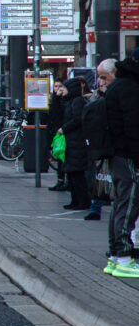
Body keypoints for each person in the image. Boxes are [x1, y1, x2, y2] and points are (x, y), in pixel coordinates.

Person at [103, 49, 139, 278]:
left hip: (117, 154)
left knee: (120, 204)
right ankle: (124, 257)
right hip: (127, 155)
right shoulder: (131, 89)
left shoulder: (119, 85)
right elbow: (133, 128)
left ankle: (116, 257)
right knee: (128, 204)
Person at [82, 60, 115, 221]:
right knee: (98, 176)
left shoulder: (115, 95)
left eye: (103, 78)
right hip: (100, 145)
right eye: (100, 79)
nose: (101, 82)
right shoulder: (96, 97)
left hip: (113, 145)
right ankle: (96, 206)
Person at [59, 77, 91, 211]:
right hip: (72, 141)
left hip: (76, 142)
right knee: (72, 173)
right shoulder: (71, 101)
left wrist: (64, 128)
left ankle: (82, 201)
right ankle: (75, 200)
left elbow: (77, 119)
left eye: (64, 88)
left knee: (76, 174)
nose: (62, 90)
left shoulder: (78, 101)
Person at [47, 79, 69, 191]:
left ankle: (64, 180)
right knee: (59, 157)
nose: (57, 89)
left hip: (63, 131)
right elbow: (52, 114)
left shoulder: (65, 100)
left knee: (63, 158)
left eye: (59, 86)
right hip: (57, 132)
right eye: (55, 86)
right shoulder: (55, 99)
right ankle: (60, 180)